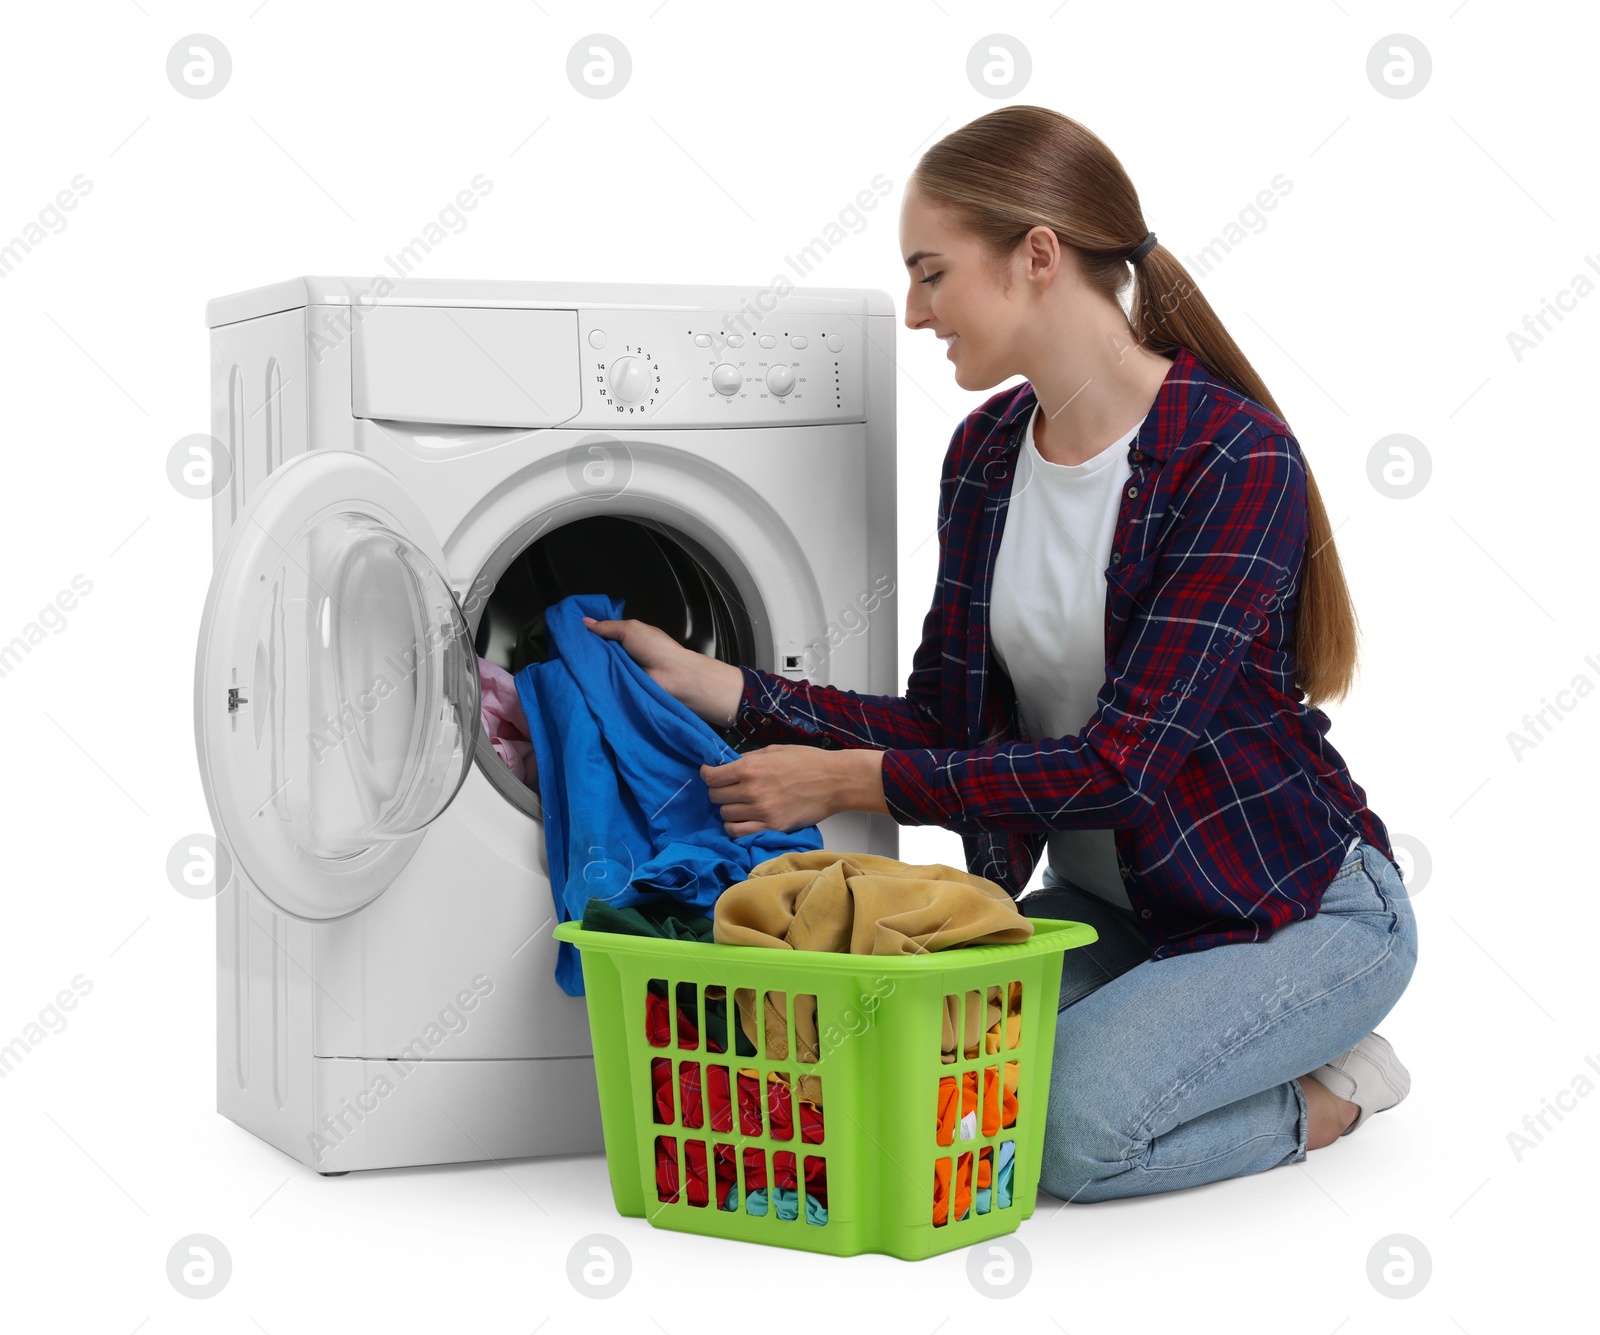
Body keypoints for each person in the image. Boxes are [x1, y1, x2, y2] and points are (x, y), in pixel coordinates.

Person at [582, 105, 1417, 1204]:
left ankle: (1332, 1091)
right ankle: (1199, 1040)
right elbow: (946, 723)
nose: (916, 311)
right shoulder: (984, 455)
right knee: (915, 1077)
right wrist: (727, 688)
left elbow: (1124, 766)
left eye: (932, 274)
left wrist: (854, 778)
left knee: (1067, 1134)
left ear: (1036, 257)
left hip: (1291, 907)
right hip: (1117, 907)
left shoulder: (1229, 457)